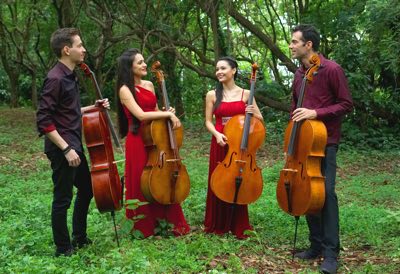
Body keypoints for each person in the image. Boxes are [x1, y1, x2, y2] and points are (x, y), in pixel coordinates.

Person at [36, 28, 109, 257]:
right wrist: (66, 149)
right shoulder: (55, 78)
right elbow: (44, 120)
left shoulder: (70, 75)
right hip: (63, 149)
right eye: (79, 45)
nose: (84, 49)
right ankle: (63, 248)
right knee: (63, 198)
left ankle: (79, 237)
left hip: (74, 146)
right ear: (67, 50)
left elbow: (68, 112)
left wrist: (93, 107)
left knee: (87, 189)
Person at [288, 24, 353, 273]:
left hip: (325, 141)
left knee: (326, 193)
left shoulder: (332, 69)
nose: (291, 45)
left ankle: (330, 253)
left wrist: (316, 112)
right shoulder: (298, 74)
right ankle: (315, 245)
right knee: (307, 191)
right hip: (302, 143)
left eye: (295, 42)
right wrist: (291, 141)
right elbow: (295, 108)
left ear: (309, 45)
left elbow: (346, 104)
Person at [115, 48, 190, 238]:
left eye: (143, 61)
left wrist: (166, 111)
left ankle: (168, 222)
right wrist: (167, 114)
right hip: (138, 139)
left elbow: (154, 109)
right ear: (129, 67)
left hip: (156, 137)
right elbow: (140, 115)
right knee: (143, 180)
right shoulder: (124, 89)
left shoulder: (149, 84)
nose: (144, 64)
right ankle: (144, 227)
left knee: (161, 177)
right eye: (139, 62)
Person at [204, 56, 264, 239]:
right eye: (217, 69)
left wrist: (252, 112)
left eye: (223, 68)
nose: (219, 72)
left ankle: (237, 222)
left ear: (234, 71)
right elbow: (208, 122)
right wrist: (216, 134)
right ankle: (218, 222)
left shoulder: (246, 94)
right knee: (219, 180)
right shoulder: (212, 94)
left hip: (239, 143)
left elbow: (260, 120)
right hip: (220, 139)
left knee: (237, 179)